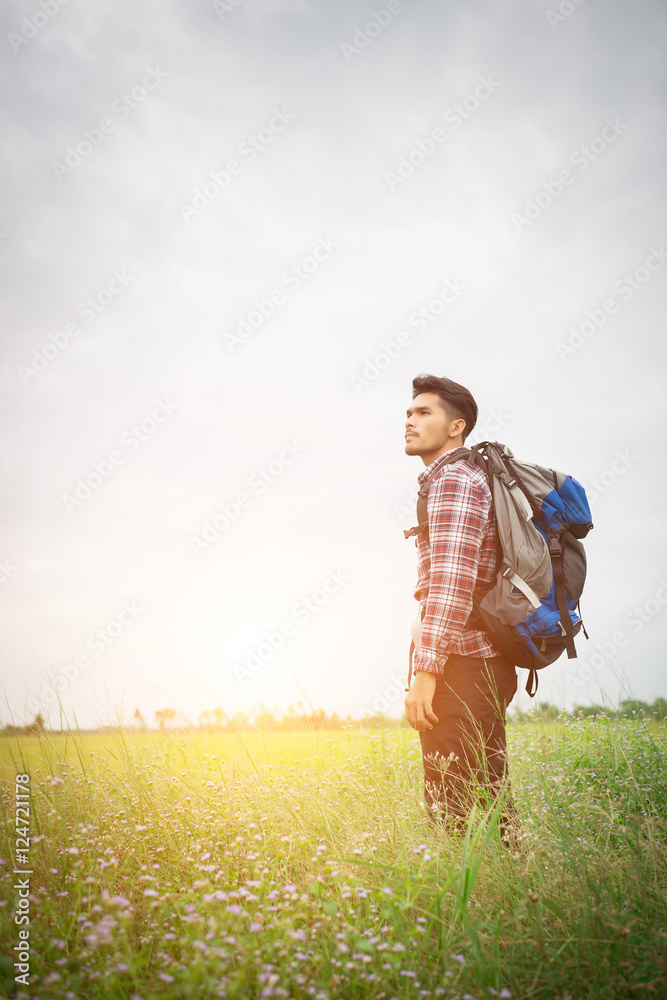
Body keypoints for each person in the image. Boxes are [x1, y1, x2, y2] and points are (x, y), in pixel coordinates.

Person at [403, 373, 520, 845]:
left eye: (423, 412)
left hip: (462, 666)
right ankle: (514, 897)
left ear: (457, 427)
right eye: (409, 413)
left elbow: (451, 583)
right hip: (483, 662)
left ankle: (459, 908)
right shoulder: (466, 477)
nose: (410, 421)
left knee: (449, 806)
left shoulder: (453, 480)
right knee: (491, 800)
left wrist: (426, 674)